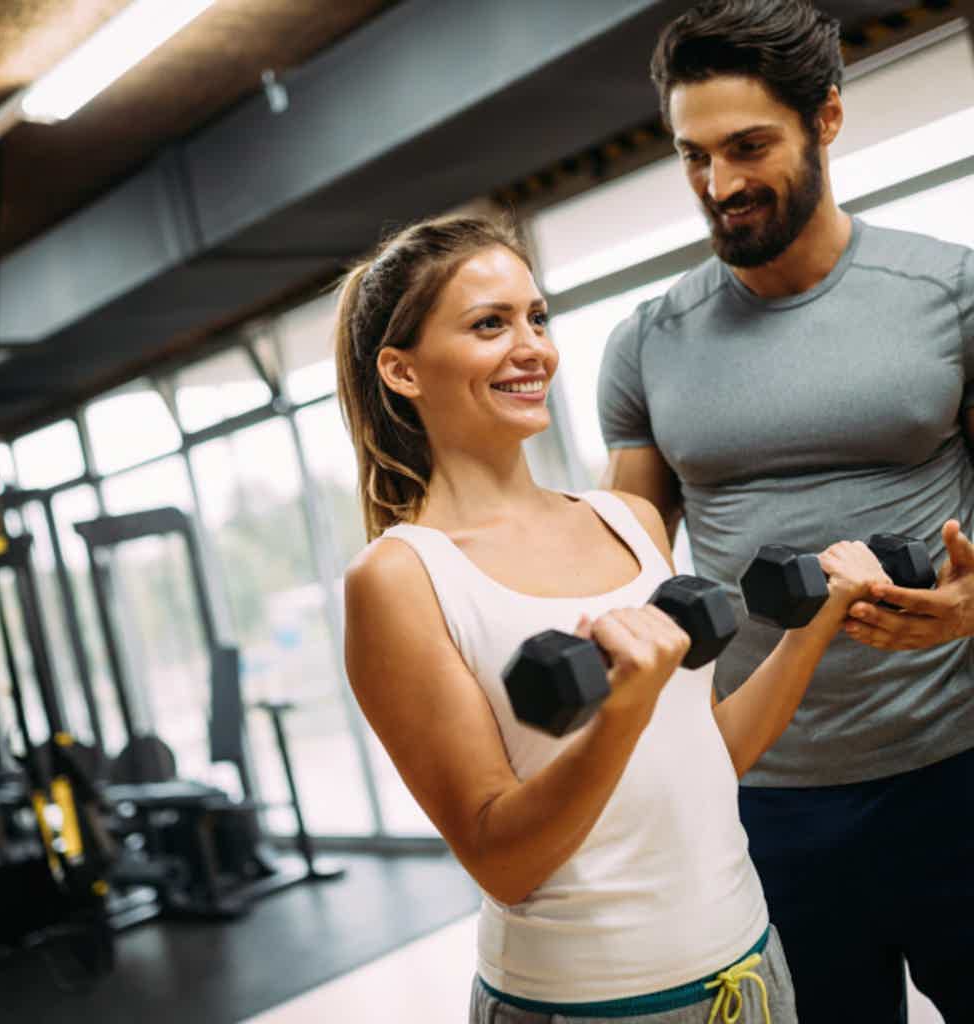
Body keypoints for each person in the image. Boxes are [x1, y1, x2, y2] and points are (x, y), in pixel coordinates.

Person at [336, 213, 890, 1023]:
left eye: (536, 318)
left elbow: (711, 754)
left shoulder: (628, 519)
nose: (532, 347)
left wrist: (815, 628)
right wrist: (622, 711)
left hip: (751, 969)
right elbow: (503, 861)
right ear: (402, 370)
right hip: (592, 1004)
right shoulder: (401, 578)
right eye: (490, 324)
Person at [597, 2, 974, 1021]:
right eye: (694, 156)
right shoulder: (648, 344)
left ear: (827, 120)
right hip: (767, 800)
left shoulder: (949, 292)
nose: (719, 185)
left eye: (748, 147)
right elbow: (628, 571)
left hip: (956, 768)